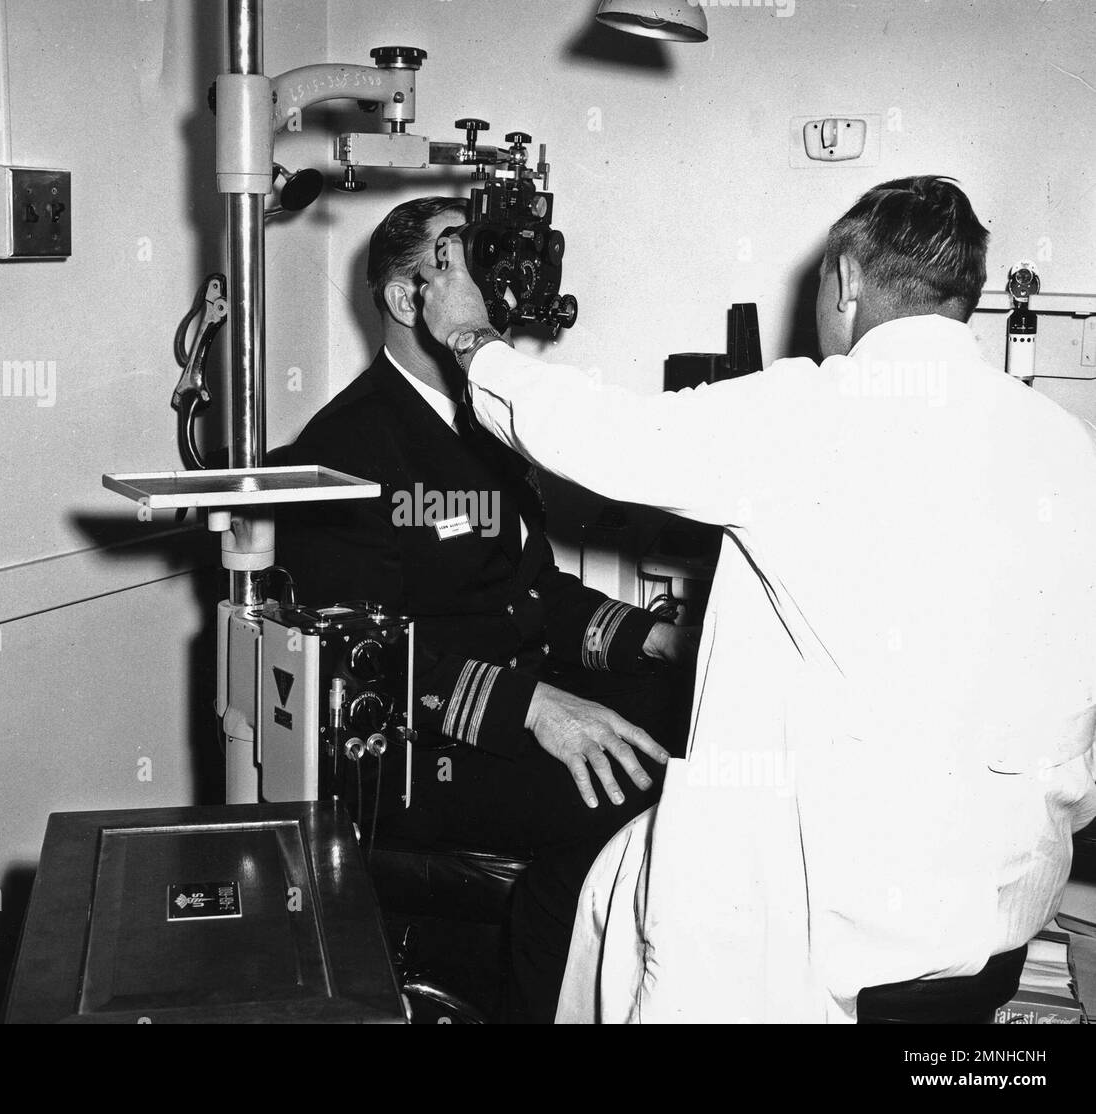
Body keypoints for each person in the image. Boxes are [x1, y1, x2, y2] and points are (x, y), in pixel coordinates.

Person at [419, 175, 1096, 1023]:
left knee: (599, 907)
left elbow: (608, 435)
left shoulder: (817, 409)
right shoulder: (1065, 444)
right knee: (607, 882)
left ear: (847, 279)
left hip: (844, 930)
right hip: (997, 914)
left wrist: (472, 339)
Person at [273, 196, 695, 1023]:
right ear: (407, 299)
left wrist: (659, 640)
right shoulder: (347, 447)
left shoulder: (486, 422)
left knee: (699, 722)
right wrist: (536, 708)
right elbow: (360, 659)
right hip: (415, 752)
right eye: (462, 261)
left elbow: (535, 591)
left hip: (519, 704)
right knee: (608, 799)